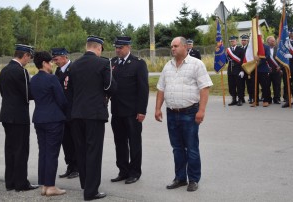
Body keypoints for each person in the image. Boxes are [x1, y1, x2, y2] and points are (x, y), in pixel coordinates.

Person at [155, 36, 213, 192]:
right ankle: (180, 178)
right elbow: (161, 88)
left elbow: (204, 88)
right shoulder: (168, 66)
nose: (172, 49)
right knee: (177, 148)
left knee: (191, 147)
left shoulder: (196, 64)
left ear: (185, 47)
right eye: (171, 46)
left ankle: (193, 179)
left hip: (190, 112)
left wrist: (201, 110)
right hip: (172, 113)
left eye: (175, 46)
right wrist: (157, 108)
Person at [69, 35, 116, 201]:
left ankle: (85, 184)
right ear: (99, 48)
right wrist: (105, 95)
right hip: (94, 114)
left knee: (81, 151)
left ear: (86, 46)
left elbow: (70, 90)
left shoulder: (74, 65)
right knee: (93, 152)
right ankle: (91, 191)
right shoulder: (103, 63)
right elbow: (110, 86)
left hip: (76, 114)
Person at [0, 44, 39, 192]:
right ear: (25, 55)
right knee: (21, 150)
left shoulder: (4, 70)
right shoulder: (20, 71)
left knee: (10, 149)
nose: (29, 60)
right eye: (29, 57)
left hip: (6, 115)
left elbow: (3, 92)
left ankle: (10, 182)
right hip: (19, 116)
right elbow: (28, 94)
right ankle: (21, 183)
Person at [110, 36, 149, 184]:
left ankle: (134, 172)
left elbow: (143, 89)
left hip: (132, 112)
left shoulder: (138, 64)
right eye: (116, 47)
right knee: (119, 143)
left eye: (120, 47)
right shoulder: (112, 63)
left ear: (128, 47)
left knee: (134, 143)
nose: (117, 50)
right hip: (117, 111)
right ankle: (123, 170)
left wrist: (142, 111)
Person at [30, 51, 67, 197]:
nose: (52, 64)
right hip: (53, 120)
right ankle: (51, 186)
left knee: (43, 152)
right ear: (44, 63)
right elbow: (62, 100)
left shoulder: (33, 79)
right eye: (50, 62)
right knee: (52, 153)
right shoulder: (52, 79)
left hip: (39, 119)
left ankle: (44, 185)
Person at [51, 48, 79, 179]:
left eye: (56, 59)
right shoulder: (58, 71)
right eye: (53, 59)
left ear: (64, 57)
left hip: (72, 112)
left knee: (75, 141)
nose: (55, 62)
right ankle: (70, 166)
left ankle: (77, 167)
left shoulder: (73, 69)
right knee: (66, 142)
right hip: (61, 113)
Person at [226, 35, 245, 106]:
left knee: (239, 85)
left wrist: (242, 70)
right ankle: (234, 99)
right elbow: (226, 60)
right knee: (231, 86)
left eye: (233, 41)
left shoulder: (241, 49)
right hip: (230, 70)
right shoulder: (228, 50)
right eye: (231, 41)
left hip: (238, 70)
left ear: (236, 41)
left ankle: (240, 99)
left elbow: (243, 60)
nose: (232, 42)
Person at [266, 36, 282, 104]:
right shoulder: (265, 48)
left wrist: (280, 66)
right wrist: (267, 67)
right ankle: (268, 99)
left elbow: (282, 59)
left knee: (277, 85)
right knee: (267, 85)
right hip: (268, 70)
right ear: (268, 42)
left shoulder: (278, 48)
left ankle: (277, 99)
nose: (274, 42)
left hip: (276, 70)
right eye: (272, 41)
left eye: (274, 41)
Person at [240, 34, 253, 103]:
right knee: (241, 85)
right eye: (242, 40)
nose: (243, 41)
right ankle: (242, 98)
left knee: (249, 84)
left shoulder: (250, 48)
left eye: (244, 40)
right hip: (241, 69)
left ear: (248, 41)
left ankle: (251, 97)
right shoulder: (239, 48)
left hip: (249, 69)